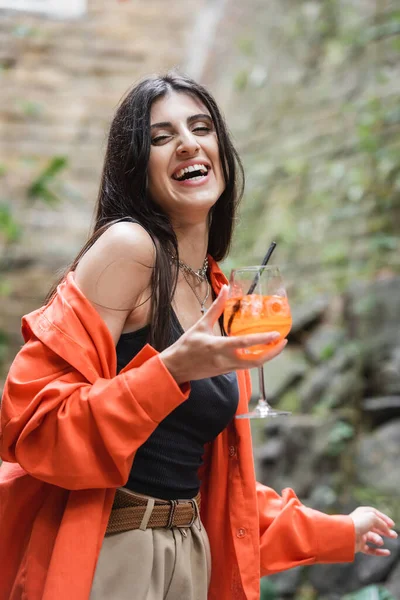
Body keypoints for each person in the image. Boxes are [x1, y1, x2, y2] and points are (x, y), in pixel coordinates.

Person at [0, 72, 397, 600]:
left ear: (220, 150)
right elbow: (33, 427)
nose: (188, 142)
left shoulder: (213, 285)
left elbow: (215, 486)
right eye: (161, 137)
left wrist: (336, 531)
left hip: (190, 554)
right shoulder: (129, 248)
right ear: (135, 167)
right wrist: (171, 370)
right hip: (116, 553)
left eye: (201, 126)